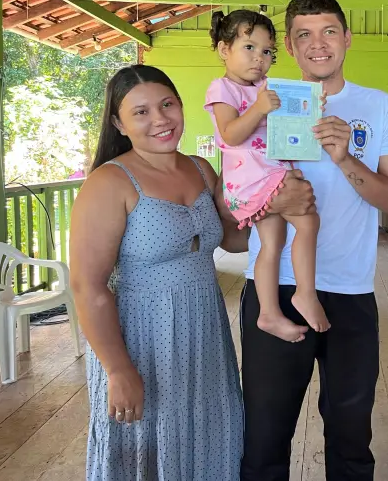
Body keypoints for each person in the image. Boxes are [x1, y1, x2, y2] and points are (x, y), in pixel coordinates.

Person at [219, 0, 388, 481]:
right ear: (288, 43)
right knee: (264, 436)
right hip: (276, 289)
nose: (318, 44)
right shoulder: (258, 98)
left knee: (351, 437)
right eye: (303, 34)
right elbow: (233, 189)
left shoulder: (378, 105)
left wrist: (347, 158)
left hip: (350, 290)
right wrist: (269, 203)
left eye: (328, 31)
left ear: (346, 38)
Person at [69, 65, 249, 480]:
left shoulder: (201, 169)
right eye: (142, 112)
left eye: (167, 105)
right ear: (119, 122)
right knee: (147, 446)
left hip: (203, 328)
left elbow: (232, 240)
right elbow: (88, 287)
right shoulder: (110, 182)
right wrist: (118, 369)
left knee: (206, 432)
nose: (160, 120)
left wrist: (275, 208)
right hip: (141, 337)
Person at [204, 9, 329, 343]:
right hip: (251, 176)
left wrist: (311, 109)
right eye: (249, 47)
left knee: (270, 244)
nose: (259, 58)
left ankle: (268, 313)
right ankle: (305, 292)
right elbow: (230, 134)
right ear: (223, 50)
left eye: (267, 51)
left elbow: (278, 133)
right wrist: (259, 107)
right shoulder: (223, 88)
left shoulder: (266, 88)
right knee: (308, 222)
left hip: (267, 171)